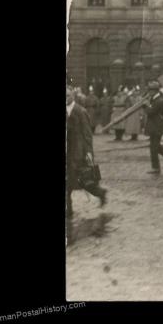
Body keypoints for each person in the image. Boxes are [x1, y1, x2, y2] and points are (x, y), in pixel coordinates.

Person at [66, 86, 107, 245]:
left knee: (82, 181)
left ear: (73, 96)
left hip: (78, 153)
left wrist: (89, 153)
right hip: (67, 152)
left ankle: (100, 193)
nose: (66, 98)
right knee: (69, 181)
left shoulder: (80, 111)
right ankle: (68, 209)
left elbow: (87, 135)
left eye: (68, 95)